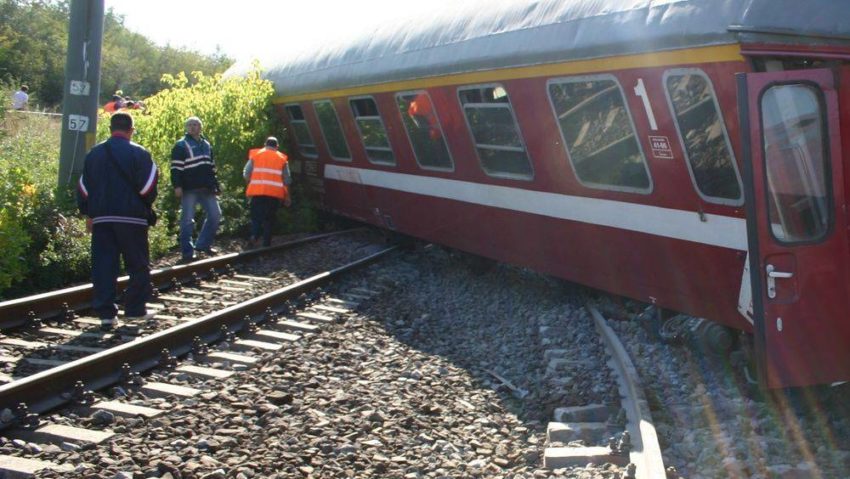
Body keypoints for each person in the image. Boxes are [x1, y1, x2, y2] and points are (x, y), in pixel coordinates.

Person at [77, 112, 158, 329]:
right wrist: (145, 204)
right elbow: (148, 187)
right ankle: (134, 310)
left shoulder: (94, 154)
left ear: (111, 129)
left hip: (102, 218)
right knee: (138, 265)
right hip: (132, 219)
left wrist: (89, 213)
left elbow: (84, 188)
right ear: (131, 130)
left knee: (104, 265)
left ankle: (106, 314)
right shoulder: (140, 153)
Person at [171, 116, 221, 263]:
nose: (192, 127)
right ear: (186, 128)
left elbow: (211, 168)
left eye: (195, 124)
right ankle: (187, 252)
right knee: (187, 220)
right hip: (189, 188)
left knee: (216, 215)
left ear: (200, 127)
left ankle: (203, 245)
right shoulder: (181, 145)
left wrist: (216, 185)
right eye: (190, 125)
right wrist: (177, 186)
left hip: (206, 188)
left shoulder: (206, 144)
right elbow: (175, 168)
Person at [243, 137, 292, 248]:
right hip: (273, 195)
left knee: (256, 217)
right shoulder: (282, 159)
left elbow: (246, 173)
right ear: (277, 146)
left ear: (265, 144)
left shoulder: (256, 155)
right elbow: (287, 179)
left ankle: (254, 236)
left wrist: (250, 184)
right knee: (269, 219)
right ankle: (266, 244)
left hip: (257, 193)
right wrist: (287, 197)